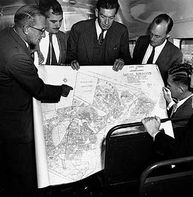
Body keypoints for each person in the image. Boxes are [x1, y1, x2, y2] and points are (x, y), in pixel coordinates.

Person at [0, 5, 73, 197]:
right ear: (26, 29)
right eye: (41, 31)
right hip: (14, 122)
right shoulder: (16, 56)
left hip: (6, 107)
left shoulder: (8, 35)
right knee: (23, 170)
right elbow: (39, 89)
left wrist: (31, 49)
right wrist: (62, 90)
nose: (43, 35)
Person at [142, 51, 193, 160]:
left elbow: (181, 151)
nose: (190, 74)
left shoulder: (192, 108)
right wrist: (171, 103)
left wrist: (155, 132)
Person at [66, 0, 131, 71]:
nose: (106, 22)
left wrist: (122, 61)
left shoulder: (121, 31)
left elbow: (126, 58)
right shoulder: (78, 29)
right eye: (103, 17)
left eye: (111, 18)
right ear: (97, 12)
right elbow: (69, 57)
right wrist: (72, 62)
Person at [132, 14, 183, 84]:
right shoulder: (141, 41)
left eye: (157, 36)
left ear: (167, 35)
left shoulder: (175, 54)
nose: (152, 38)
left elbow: (173, 83)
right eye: (151, 33)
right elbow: (133, 64)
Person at [163, 63, 193, 131]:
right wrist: (170, 102)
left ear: (181, 90)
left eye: (169, 85)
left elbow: (170, 133)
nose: (166, 87)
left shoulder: (185, 114)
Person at [36, 0, 68, 65]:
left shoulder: (63, 37)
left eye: (60, 21)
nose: (58, 25)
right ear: (42, 18)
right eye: (53, 21)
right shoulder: (32, 36)